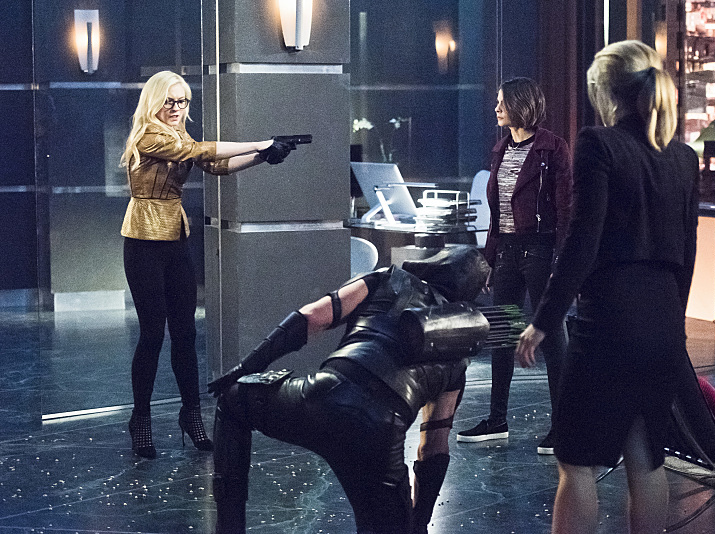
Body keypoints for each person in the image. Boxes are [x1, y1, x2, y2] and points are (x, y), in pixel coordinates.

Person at [515, 40, 699, 534]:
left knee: (575, 460)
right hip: (664, 326)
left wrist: (543, 321)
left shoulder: (598, 144)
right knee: (646, 458)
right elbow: (688, 255)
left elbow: (582, 242)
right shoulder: (684, 157)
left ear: (604, 91)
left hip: (610, 325)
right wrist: (673, 325)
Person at [208, 246, 498, 534]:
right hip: (382, 434)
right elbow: (433, 446)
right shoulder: (458, 350)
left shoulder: (386, 278)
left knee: (233, 402)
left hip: (325, 395)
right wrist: (416, 523)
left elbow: (313, 317)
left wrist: (247, 367)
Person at [120, 70, 295, 459]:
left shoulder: (180, 135)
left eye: (183, 101)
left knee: (185, 334)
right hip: (143, 239)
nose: (177, 107)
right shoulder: (148, 135)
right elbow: (200, 152)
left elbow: (215, 166)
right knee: (152, 334)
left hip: (174, 237)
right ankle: (141, 418)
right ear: (154, 101)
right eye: (170, 100)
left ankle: (192, 413)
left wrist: (263, 157)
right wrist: (261, 143)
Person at [457, 77, 572, 455]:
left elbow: (566, 210)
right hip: (507, 251)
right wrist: (489, 259)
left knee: (551, 336)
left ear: (521, 105)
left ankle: (563, 427)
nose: (496, 109)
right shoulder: (501, 149)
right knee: (502, 334)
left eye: (502, 102)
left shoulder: (553, 148)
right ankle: (496, 420)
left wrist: (560, 260)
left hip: (540, 251)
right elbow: (497, 214)